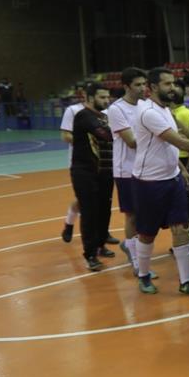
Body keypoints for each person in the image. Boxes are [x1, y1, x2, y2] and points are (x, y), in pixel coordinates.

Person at [131, 68, 189, 296]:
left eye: (173, 83)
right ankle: (143, 275)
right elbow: (177, 141)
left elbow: (168, 146)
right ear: (152, 88)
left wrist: (181, 169)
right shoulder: (148, 112)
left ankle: (186, 281)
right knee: (147, 232)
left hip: (172, 178)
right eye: (167, 84)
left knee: (181, 227)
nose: (173, 88)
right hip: (149, 182)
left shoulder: (165, 110)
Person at [69, 82, 115, 272]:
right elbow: (104, 134)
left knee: (104, 210)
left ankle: (100, 244)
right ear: (89, 98)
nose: (106, 101)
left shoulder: (103, 116)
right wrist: (123, 132)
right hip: (85, 172)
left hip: (105, 171)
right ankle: (90, 254)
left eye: (107, 97)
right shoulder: (84, 116)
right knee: (89, 212)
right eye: (102, 97)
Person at [107, 67, 148, 274]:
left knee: (145, 215)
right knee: (132, 215)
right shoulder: (117, 109)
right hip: (126, 170)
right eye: (137, 85)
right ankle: (136, 259)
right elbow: (131, 141)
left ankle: (130, 246)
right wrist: (158, 135)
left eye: (144, 84)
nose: (142, 88)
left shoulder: (144, 106)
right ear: (126, 86)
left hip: (145, 169)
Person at [170, 84, 189, 258]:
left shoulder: (184, 114)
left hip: (185, 161)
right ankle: (185, 241)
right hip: (178, 161)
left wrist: (187, 167)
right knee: (183, 208)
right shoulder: (172, 114)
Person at [59, 82, 87, 245]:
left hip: (102, 162)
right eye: (81, 92)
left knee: (101, 199)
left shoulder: (104, 111)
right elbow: (66, 136)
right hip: (79, 161)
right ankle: (69, 224)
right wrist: (87, 142)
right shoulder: (73, 110)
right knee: (83, 198)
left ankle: (102, 232)